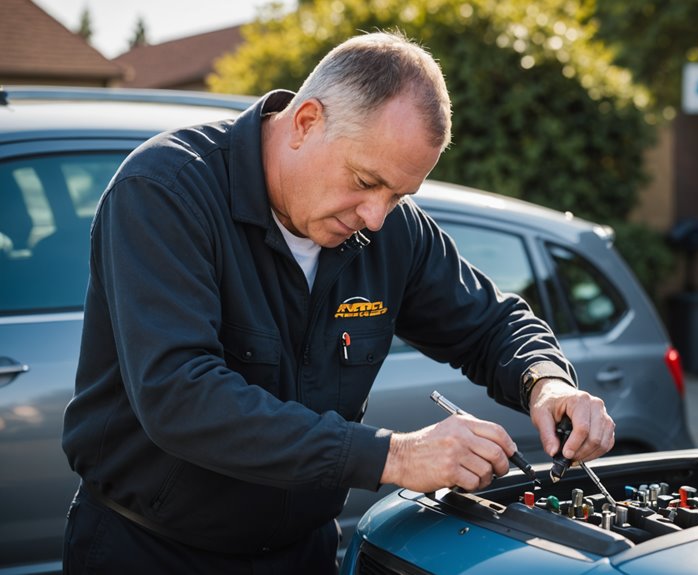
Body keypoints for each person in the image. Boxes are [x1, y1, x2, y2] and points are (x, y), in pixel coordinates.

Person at [61, 31, 615, 573]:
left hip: (302, 553)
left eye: (398, 195)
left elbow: (491, 323)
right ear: (306, 122)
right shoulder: (165, 191)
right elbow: (180, 395)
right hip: (152, 551)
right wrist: (394, 455)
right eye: (366, 180)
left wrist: (547, 382)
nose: (376, 216)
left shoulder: (392, 231)